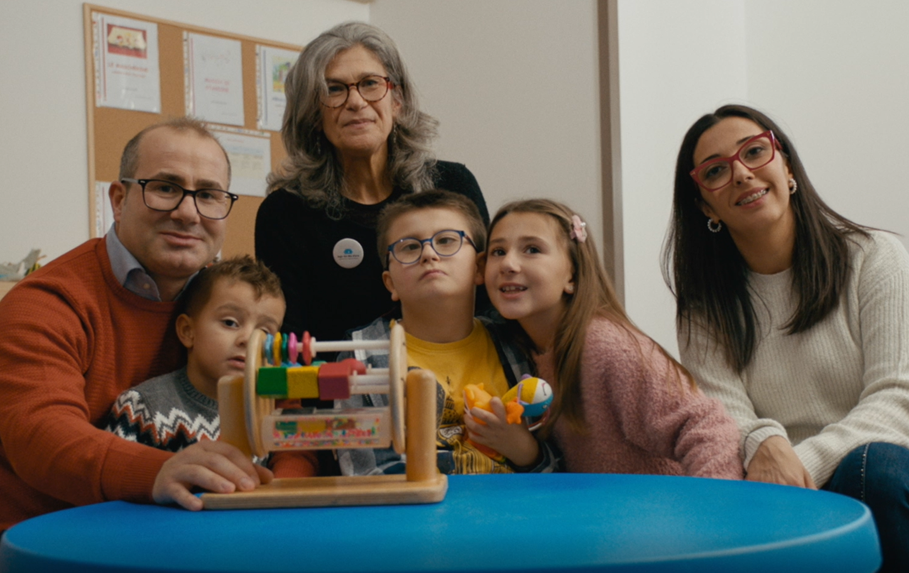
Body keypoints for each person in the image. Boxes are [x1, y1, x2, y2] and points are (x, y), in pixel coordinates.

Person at [0, 119, 274, 573]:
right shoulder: (46, 302)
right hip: (14, 547)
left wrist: (273, 490)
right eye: (166, 188)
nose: (189, 213)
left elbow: (287, 415)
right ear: (118, 199)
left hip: (155, 531)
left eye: (209, 195)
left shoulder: (224, 307)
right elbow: (42, 436)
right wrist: (159, 470)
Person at [665, 104, 909, 571]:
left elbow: (902, 399)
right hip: (793, 498)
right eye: (716, 170)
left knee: (874, 468)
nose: (742, 174)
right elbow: (721, 411)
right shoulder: (704, 307)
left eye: (755, 152)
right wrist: (764, 442)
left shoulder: (875, 257)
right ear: (704, 205)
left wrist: (801, 464)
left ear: (786, 164)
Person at [256, 22, 488, 344]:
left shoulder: (452, 185)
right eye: (334, 89)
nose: (355, 101)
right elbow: (288, 344)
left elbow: (488, 303)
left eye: (370, 83)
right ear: (312, 113)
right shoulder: (284, 214)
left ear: (397, 100)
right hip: (337, 388)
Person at [483, 199, 742, 479]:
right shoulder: (516, 349)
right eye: (498, 251)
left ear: (573, 275)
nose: (508, 263)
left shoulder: (606, 346)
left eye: (532, 249)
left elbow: (709, 429)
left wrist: (711, 517)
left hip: (655, 516)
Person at [337, 190, 558, 475]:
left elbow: (557, 470)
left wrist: (525, 450)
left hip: (515, 513)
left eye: (446, 241)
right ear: (390, 283)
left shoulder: (515, 343)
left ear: (479, 267)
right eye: (409, 247)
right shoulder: (358, 357)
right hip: (418, 516)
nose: (429, 254)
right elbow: (365, 475)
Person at [102, 255, 317, 478]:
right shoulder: (140, 406)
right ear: (187, 331)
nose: (248, 340)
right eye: (230, 323)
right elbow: (116, 484)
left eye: (264, 333)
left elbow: (298, 459)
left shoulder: (269, 407)